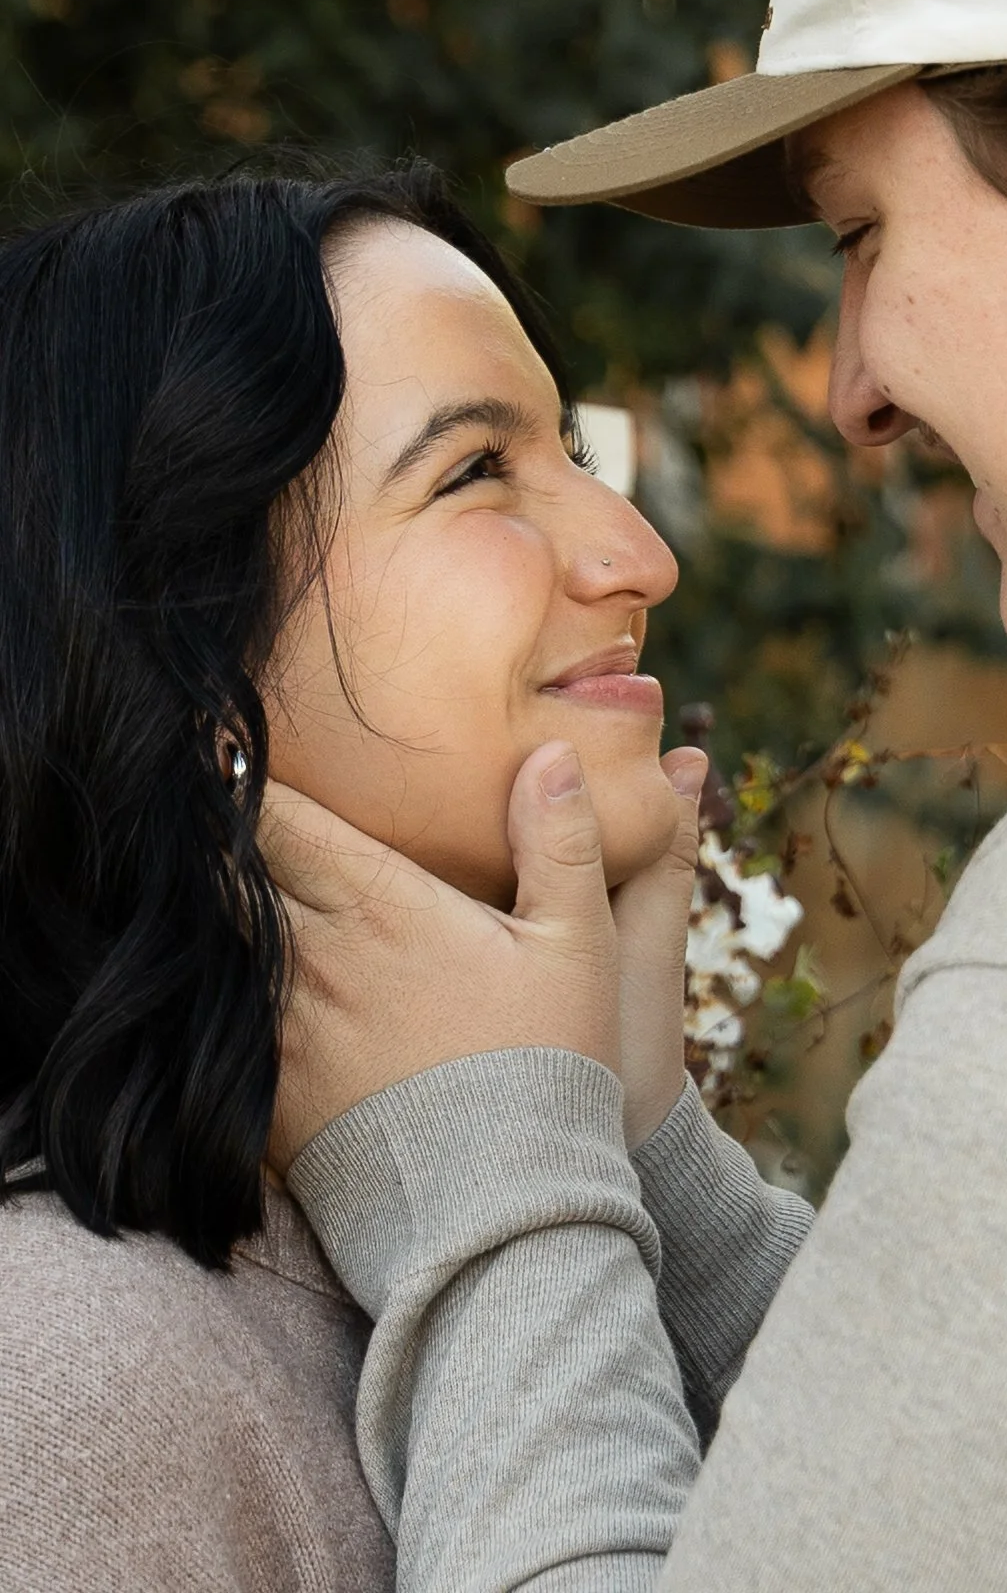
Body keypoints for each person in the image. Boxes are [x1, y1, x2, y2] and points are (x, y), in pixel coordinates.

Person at [259, 0, 1007, 1588]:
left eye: (860, 233)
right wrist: (642, 1152)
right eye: (481, 472)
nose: (854, 389)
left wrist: (485, 1172)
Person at [0, 163, 812, 1592]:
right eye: (475, 470)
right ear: (183, 664)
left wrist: (633, 1139)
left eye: (582, 457)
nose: (641, 558)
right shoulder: (63, 1395)